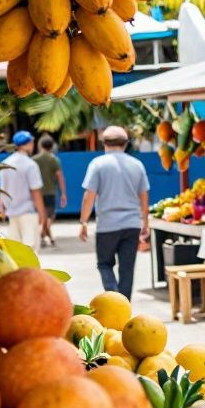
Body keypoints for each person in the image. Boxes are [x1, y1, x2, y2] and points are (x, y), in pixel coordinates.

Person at [78, 126, 150, 299]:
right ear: (125, 144)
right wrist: (145, 222)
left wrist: (84, 222)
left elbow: (89, 196)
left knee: (104, 264)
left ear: (104, 144)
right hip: (132, 224)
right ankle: (124, 306)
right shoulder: (137, 165)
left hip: (107, 226)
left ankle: (113, 297)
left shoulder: (97, 164)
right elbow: (144, 196)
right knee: (127, 269)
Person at [0, 130, 47, 249]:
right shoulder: (30, 165)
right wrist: (42, 214)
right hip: (28, 213)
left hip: (12, 213)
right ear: (28, 144)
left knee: (17, 252)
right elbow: (35, 191)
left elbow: (2, 190)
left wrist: (2, 210)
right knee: (31, 251)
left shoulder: (5, 164)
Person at [34, 134, 66, 247]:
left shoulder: (34, 160)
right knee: (50, 216)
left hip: (36, 192)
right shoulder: (54, 160)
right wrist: (63, 193)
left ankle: (43, 236)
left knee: (40, 216)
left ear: (40, 145)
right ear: (52, 146)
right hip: (50, 192)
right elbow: (60, 177)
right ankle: (45, 235)